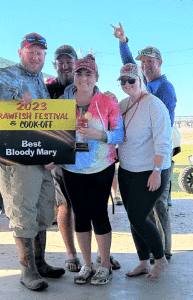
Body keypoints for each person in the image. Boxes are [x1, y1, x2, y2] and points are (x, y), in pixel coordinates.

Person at [0, 33, 65, 291]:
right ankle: (27, 270)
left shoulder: (40, 81)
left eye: (40, 53)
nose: (35, 57)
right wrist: (14, 94)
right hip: (15, 161)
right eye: (31, 52)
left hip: (40, 160)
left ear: (45, 57)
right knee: (22, 211)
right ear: (20, 53)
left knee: (43, 211)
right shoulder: (10, 75)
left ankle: (40, 262)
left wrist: (50, 154)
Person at [46, 45, 122, 272]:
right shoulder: (60, 100)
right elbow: (52, 132)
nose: (83, 77)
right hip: (71, 168)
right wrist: (52, 154)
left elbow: (119, 133)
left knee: (99, 213)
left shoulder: (108, 102)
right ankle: (86, 264)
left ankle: (104, 264)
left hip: (101, 167)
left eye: (89, 74)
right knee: (77, 214)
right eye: (79, 73)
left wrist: (101, 135)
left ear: (96, 77)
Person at [111, 22, 177, 261]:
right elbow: (129, 65)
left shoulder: (163, 90)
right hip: (139, 160)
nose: (146, 65)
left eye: (150, 61)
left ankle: (165, 252)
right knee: (142, 211)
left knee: (159, 205)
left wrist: (157, 166)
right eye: (143, 62)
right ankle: (149, 252)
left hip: (159, 156)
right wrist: (123, 41)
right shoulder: (142, 84)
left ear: (159, 63)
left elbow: (164, 131)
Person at [117, 63, 172, 279]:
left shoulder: (154, 104)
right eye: (123, 81)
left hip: (151, 170)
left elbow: (164, 141)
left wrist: (157, 170)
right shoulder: (122, 104)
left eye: (132, 80)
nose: (127, 84)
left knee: (139, 216)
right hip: (127, 169)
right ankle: (142, 261)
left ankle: (160, 259)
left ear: (140, 81)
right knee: (132, 217)